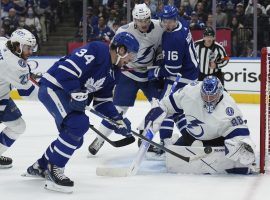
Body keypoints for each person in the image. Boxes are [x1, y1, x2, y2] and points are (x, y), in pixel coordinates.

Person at [24, 32, 139, 193]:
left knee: (75, 139)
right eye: (131, 54)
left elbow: (102, 102)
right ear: (121, 50)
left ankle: (41, 165)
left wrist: (116, 119)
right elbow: (66, 70)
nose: (131, 59)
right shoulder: (98, 50)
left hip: (67, 95)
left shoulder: (115, 73)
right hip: (55, 87)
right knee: (78, 124)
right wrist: (76, 91)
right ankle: (54, 168)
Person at [88, 3, 164, 156]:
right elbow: (113, 54)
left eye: (146, 19)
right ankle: (100, 139)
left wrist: (158, 65)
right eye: (140, 20)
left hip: (150, 74)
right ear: (134, 19)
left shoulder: (160, 27)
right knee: (118, 110)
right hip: (128, 74)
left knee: (160, 107)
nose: (143, 23)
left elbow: (164, 49)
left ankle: (145, 137)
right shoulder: (123, 31)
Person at [142, 76, 256, 174]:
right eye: (205, 96)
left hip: (216, 139)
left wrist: (240, 145)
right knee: (173, 161)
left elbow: (241, 133)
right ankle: (177, 142)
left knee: (239, 168)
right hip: (191, 134)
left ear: (220, 92)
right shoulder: (190, 91)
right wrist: (155, 114)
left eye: (212, 97)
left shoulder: (228, 109)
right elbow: (166, 105)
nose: (208, 100)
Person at [146, 5, 199, 156]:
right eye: (165, 21)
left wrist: (156, 70)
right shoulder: (182, 24)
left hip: (182, 76)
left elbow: (172, 70)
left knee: (165, 107)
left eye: (171, 21)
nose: (167, 25)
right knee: (176, 110)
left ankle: (165, 143)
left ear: (175, 19)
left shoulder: (173, 38)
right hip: (191, 72)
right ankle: (189, 137)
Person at [0, 29, 38, 168]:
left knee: (18, 126)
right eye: (28, 48)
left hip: (2, 96)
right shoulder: (15, 66)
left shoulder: (3, 42)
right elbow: (28, 92)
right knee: (18, 127)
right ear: (16, 46)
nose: (30, 52)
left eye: (31, 48)